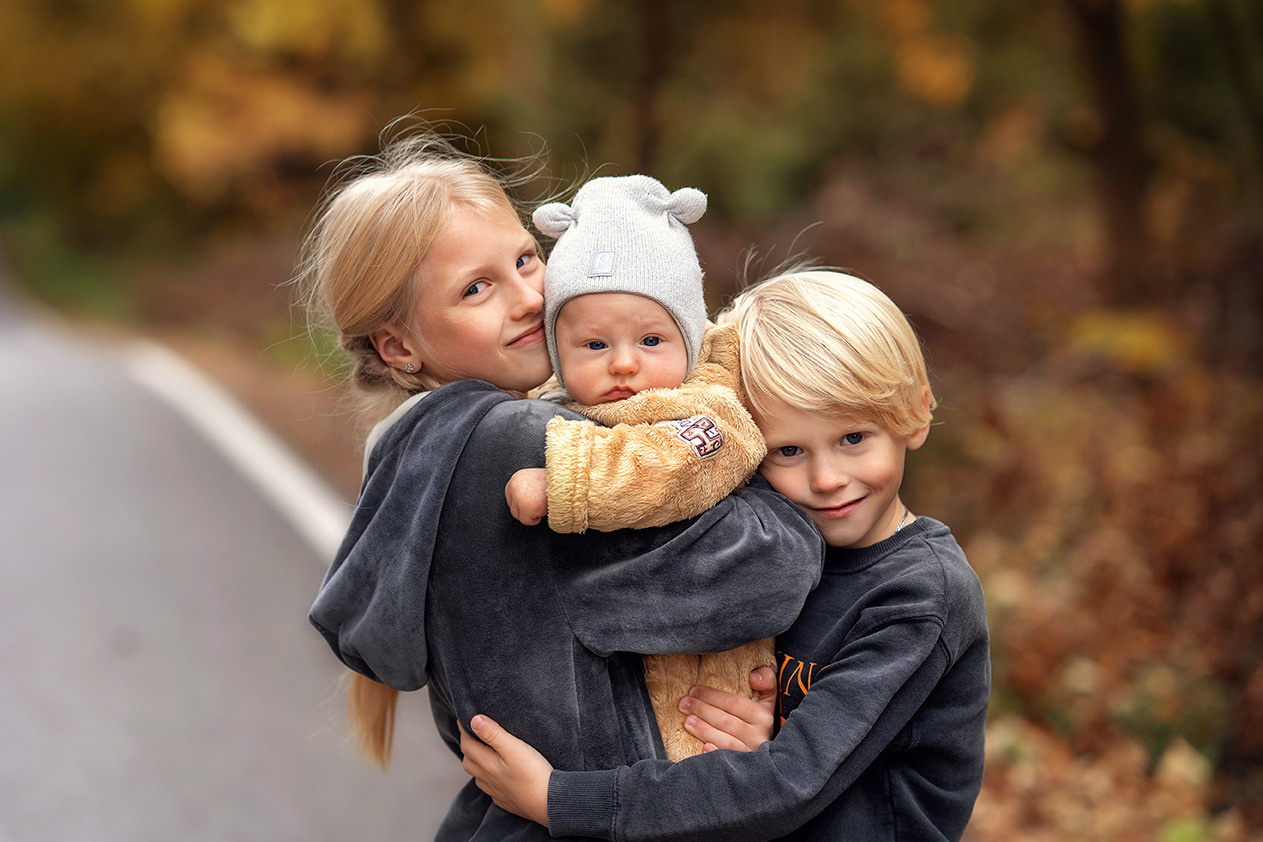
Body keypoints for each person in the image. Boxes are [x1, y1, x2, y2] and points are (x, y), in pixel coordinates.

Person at [298, 129, 825, 841]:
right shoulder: (510, 449)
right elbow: (766, 572)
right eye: (477, 288)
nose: (527, 298)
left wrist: (731, 694)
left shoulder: (424, 458)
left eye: (524, 259)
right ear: (398, 346)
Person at [460, 269, 992, 841]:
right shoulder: (772, 551)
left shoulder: (921, 595)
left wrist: (558, 800)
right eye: (788, 450)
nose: (827, 478)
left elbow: (790, 783)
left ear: (914, 412)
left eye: (853, 439)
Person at [503, 173, 775, 761]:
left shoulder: (706, 409)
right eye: (595, 346)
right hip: (603, 684)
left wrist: (568, 484)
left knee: (697, 767)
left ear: (690, 339)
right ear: (557, 349)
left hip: (704, 685)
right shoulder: (545, 410)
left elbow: (675, 462)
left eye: (651, 340)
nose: (623, 365)